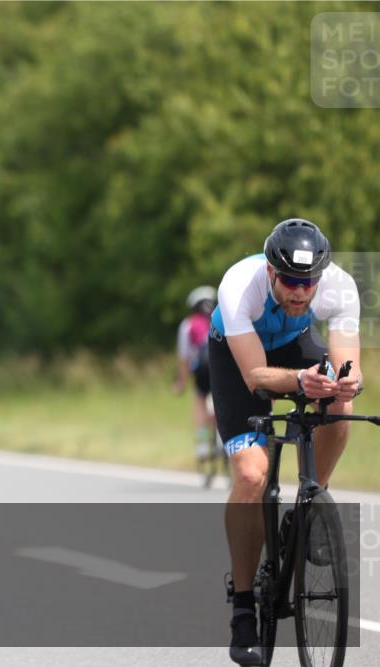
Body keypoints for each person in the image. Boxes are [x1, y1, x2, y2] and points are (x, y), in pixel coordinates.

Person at [208, 219, 362, 665]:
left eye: (308, 282)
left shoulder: (340, 286)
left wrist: (346, 384)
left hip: (294, 345)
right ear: (272, 273)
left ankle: (314, 504)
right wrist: (299, 381)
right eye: (291, 281)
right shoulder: (239, 285)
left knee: (340, 403)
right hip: (239, 357)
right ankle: (242, 608)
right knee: (252, 475)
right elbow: (255, 375)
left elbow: (347, 360)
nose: (300, 292)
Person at [175, 286, 217, 458]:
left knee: (199, 399)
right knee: (220, 399)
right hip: (219, 365)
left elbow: (185, 358)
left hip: (201, 367)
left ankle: (202, 444)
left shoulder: (188, 324)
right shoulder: (220, 319)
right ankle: (222, 437)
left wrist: (181, 383)